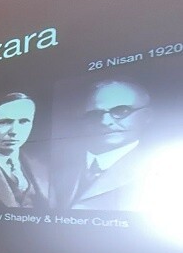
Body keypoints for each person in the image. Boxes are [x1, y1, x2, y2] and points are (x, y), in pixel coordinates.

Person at [52, 79, 153, 211]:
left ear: (147, 116)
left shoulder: (160, 168)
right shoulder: (57, 163)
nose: (105, 121)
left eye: (121, 111)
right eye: (95, 114)